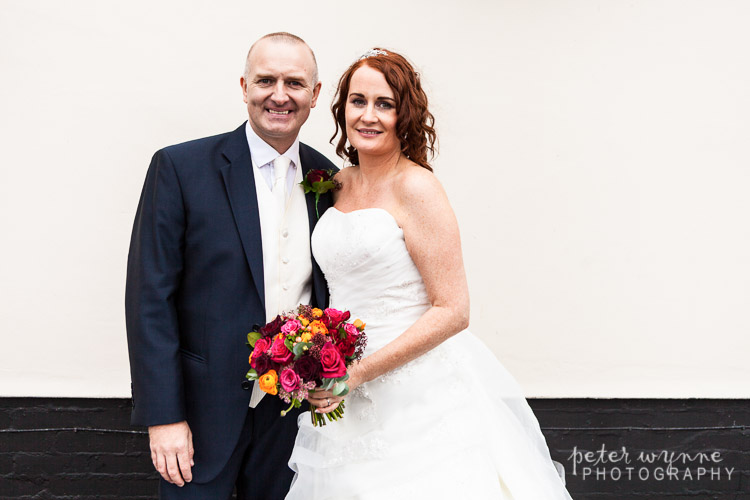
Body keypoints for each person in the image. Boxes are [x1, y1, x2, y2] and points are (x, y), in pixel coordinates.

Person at [286, 49, 574, 499]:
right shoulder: (335, 184)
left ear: (405, 115)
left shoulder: (417, 187)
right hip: (342, 387)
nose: (368, 115)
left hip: (416, 394)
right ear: (342, 108)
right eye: (358, 101)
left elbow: (453, 310)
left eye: (385, 104)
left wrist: (357, 374)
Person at [125, 32, 336, 499]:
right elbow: (149, 299)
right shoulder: (180, 168)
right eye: (266, 80)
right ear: (244, 85)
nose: (279, 95)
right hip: (200, 417)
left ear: (315, 95)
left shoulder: (330, 180)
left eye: (295, 83)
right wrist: (163, 416)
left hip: (292, 416)